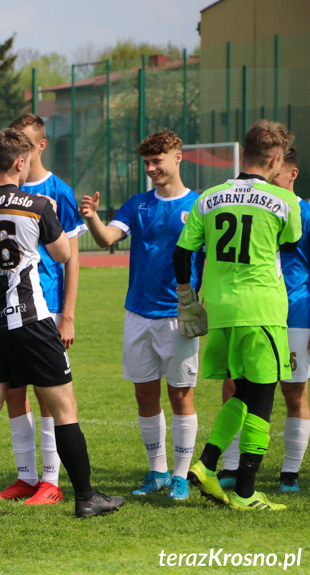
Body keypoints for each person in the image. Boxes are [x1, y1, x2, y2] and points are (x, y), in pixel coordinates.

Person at [0, 128, 125, 518]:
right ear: (19, 162)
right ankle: (85, 497)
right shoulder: (36, 204)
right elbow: (62, 255)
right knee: (64, 407)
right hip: (32, 322)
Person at [176, 119, 299, 511]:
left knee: (243, 391)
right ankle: (246, 492)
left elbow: (182, 253)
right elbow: (291, 241)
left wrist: (186, 298)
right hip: (262, 309)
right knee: (263, 398)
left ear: (242, 153)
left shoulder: (208, 197)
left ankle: (206, 464)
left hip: (222, 310)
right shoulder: (286, 201)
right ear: (276, 160)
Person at [78, 131, 202, 500]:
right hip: (137, 314)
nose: (151, 169)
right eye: (146, 163)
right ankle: (158, 472)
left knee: (181, 395)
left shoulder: (199, 205)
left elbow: (209, 259)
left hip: (178, 315)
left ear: (178, 157)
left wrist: (200, 302)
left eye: (157, 161)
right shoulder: (138, 204)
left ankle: (181, 475)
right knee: (144, 394)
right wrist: (92, 218)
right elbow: (106, 239)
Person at [0, 114, 88, 505]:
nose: (20, 153)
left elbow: (71, 259)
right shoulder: (0, 194)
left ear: (38, 147)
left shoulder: (57, 192)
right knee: (14, 392)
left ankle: (51, 479)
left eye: (25, 144)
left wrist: (68, 314)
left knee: (50, 395)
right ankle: (25, 477)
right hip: (6, 312)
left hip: (43, 311)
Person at [217, 146, 309, 494]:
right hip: (251, 312)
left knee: (293, 392)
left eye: (277, 171)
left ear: (291, 173)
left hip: (295, 314)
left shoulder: (305, 212)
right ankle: (231, 465)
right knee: (234, 387)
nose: (270, 176)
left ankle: (289, 473)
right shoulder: (250, 205)